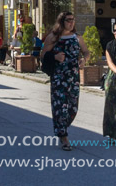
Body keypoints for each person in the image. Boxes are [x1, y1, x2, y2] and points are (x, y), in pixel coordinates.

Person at [41, 12, 89, 151]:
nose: (71, 23)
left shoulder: (77, 38)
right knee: (60, 107)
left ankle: (61, 128)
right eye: (68, 20)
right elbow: (43, 55)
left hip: (73, 77)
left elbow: (86, 52)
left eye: (73, 20)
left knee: (73, 108)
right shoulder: (53, 37)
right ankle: (63, 137)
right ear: (61, 21)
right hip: (58, 77)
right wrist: (55, 57)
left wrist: (84, 60)